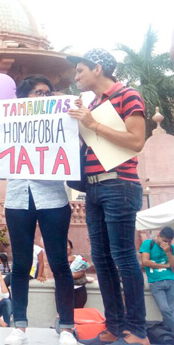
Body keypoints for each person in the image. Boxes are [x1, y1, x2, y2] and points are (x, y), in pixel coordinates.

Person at [0, 75, 76, 345]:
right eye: (37, 93)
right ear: (22, 98)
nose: (42, 97)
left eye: (47, 93)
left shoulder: (60, 119)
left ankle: (66, 327)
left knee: (59, 263)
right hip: (18, 199)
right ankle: (19, 327)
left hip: (53, 198)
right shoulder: (7, 121)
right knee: (21, 264)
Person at [68, 49, 148, 345]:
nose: (76, 76)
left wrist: (93, 124)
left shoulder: (128, 95)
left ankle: (137, 331)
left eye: (80, 70)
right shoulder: (93, 104)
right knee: (101, 259)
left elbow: (137, 141)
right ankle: (114, 326)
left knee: (124, 257)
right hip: (92, 188)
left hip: (119, 184)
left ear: (97, 68)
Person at [140, 227, 174, 333]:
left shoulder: (171, 248)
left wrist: (168, 253)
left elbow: (173, 266)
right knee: (164, 309)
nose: (166, 244)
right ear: (158, 235)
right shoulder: (148, 244)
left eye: (168, 242)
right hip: (155, 282)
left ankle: (169, 334)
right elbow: (145, 262)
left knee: (172, 310)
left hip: (170, 280)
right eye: (164, 241)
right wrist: (164, 265)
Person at [68, 240, 89, 309]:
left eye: (67, 245)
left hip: (78, 289)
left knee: (78, 311)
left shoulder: (79, 259)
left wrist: (66, 275)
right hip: (63, 290)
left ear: (71, 247)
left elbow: (80, 273)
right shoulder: (58, 260)